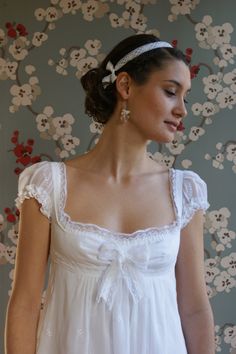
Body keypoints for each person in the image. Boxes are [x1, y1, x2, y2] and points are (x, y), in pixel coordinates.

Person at [5, 34, 215, 354]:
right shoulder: (48, 186)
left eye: (185, 97)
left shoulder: (184, 192)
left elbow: (195, 311)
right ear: (126, 86)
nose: (182, 110)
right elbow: (24, 306)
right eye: (171, 92)